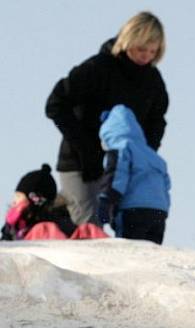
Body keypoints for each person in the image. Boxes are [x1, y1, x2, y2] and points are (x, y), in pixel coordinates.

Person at [45, 11, 168, 227]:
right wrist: (86, 148)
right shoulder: (98, 68)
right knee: (91, 229)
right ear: (128, 40)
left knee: (133, 225)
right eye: (141, 49)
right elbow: (56, 104)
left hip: (123, 167)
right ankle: (58, 218)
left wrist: (143, 154)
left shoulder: (153, 81)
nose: (146, 56)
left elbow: (157, 121)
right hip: (81, 165)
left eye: (153, 51)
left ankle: (61, 219)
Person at [97, 104, 170, 244]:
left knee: (130, 253)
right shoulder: (155, 157)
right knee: (151, 254)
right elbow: (166, 188)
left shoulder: (121, 148)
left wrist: (106, 201)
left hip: (133, 210)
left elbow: (117, 176)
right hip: (159, 212)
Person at [1, 164, 76, 240]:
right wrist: (9, 228)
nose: (14, 201)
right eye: (15, 196)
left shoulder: (52, 225)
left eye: (19, 196)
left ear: (35, 199)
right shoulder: (14, 226)